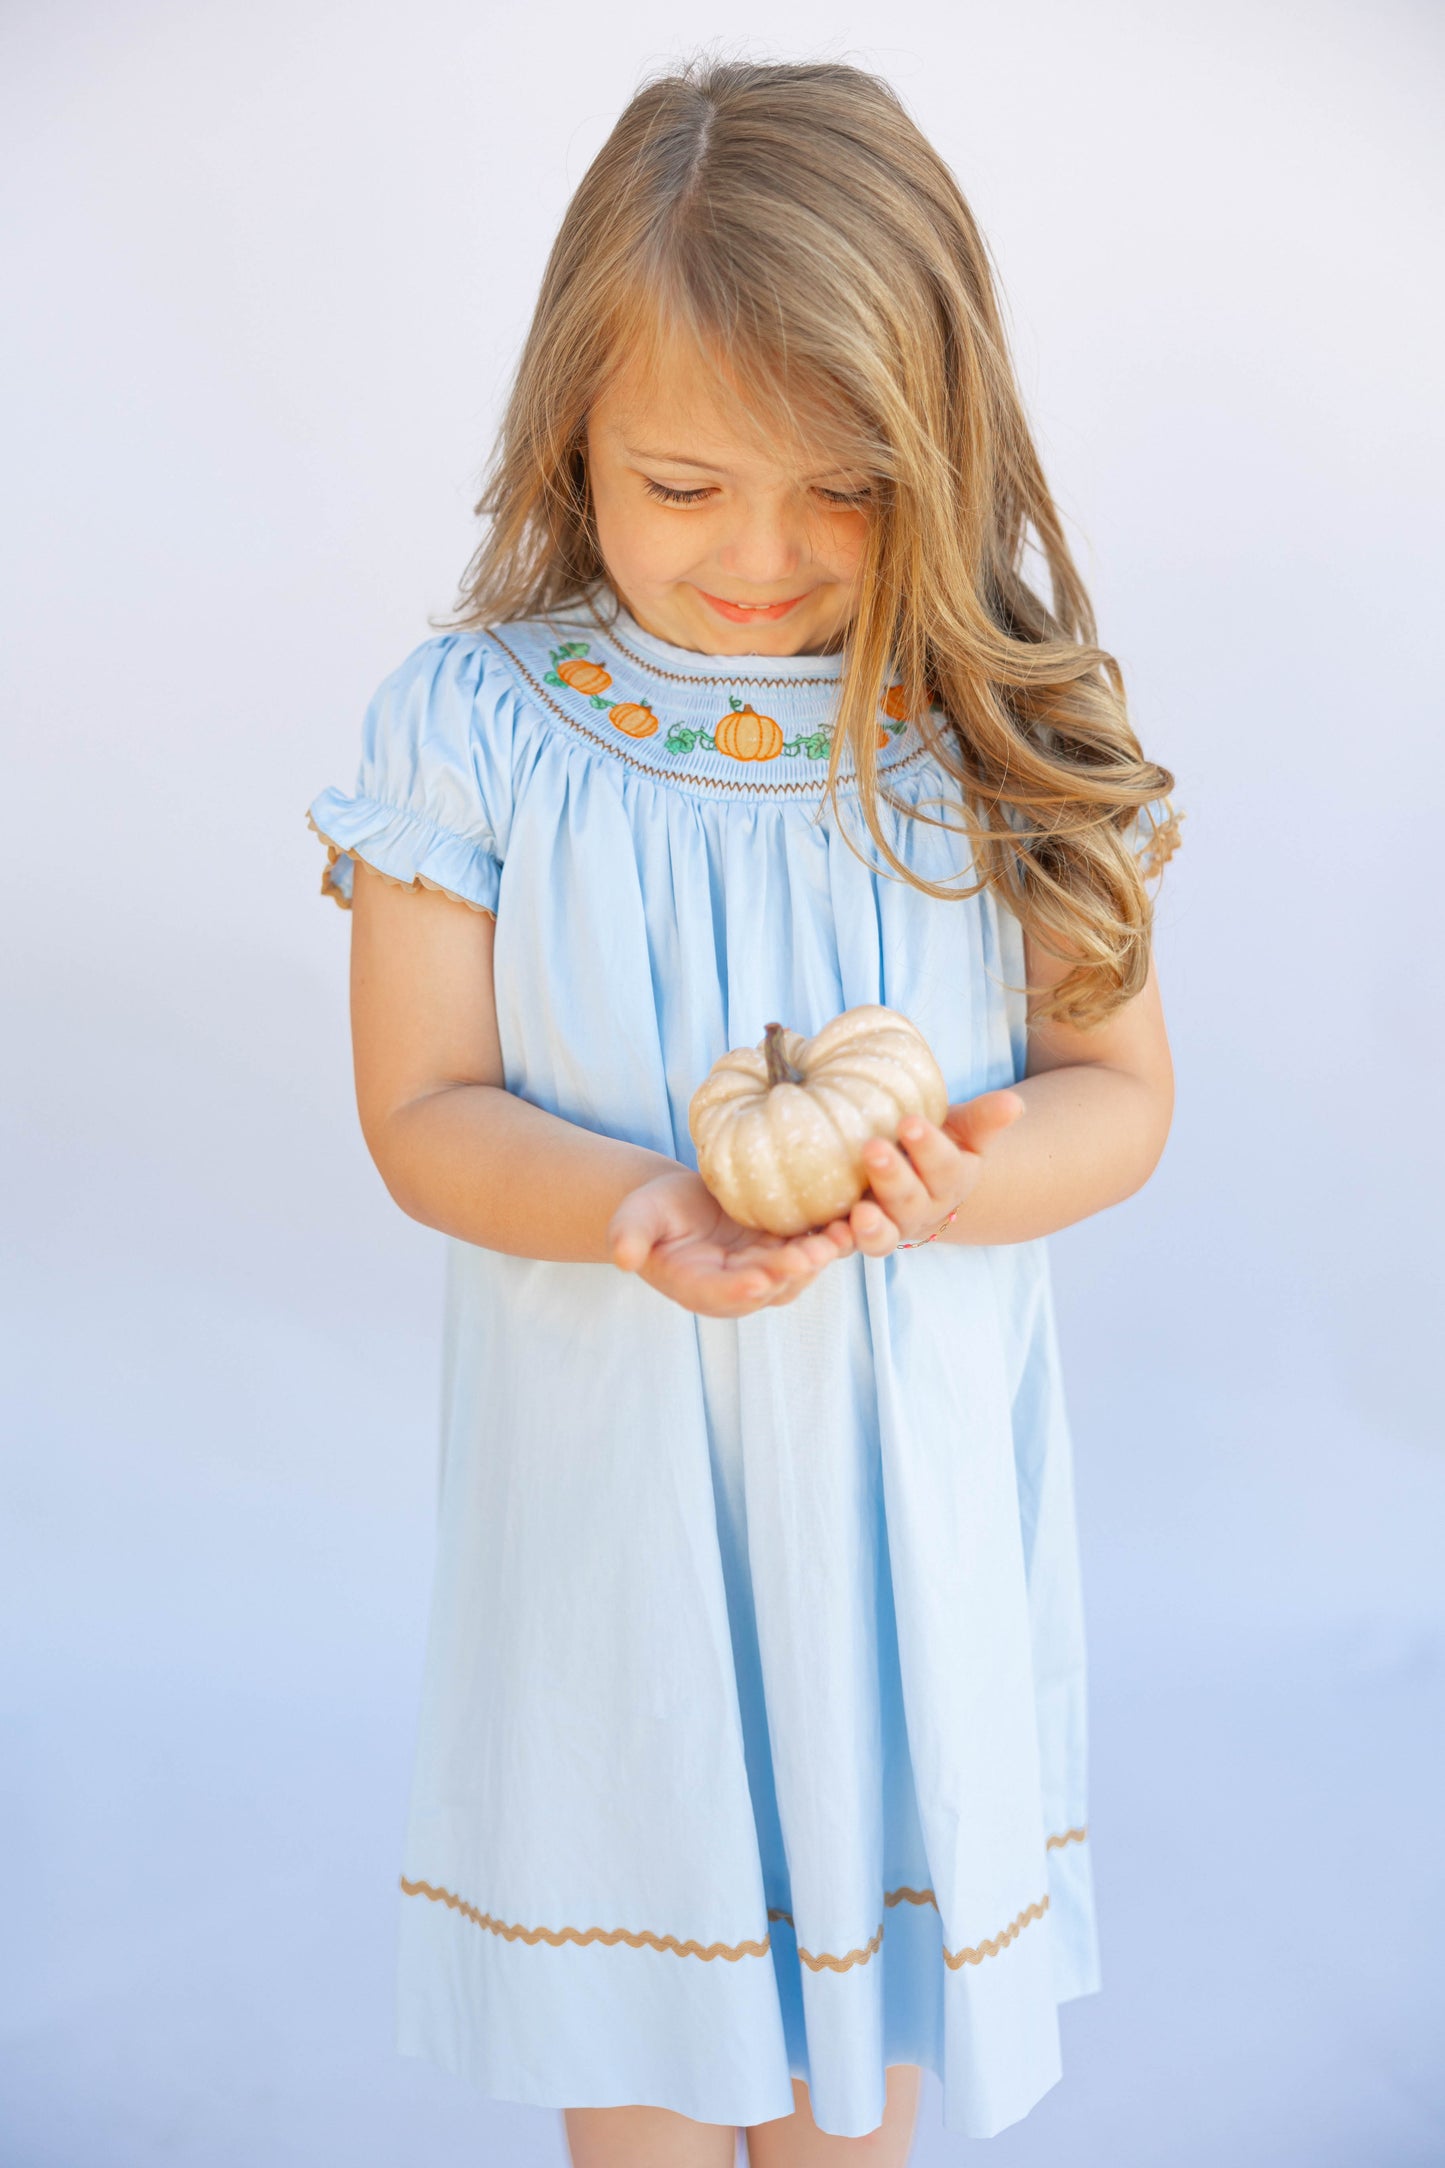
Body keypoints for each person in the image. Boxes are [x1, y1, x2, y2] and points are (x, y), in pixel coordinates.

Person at [307, 55, 1179, 2168]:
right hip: (619, 1518)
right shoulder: (482, 728)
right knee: (654, 2029)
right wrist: (642, 1210)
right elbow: (420, 1105)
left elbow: (1119, 1092)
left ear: (940, 440)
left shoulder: (990, 715)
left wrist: (961, 1171)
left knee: (857, 2084)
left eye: (843, 484)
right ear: (570, 434)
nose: (762, 556)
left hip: (903, 1533)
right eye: (682, 484)